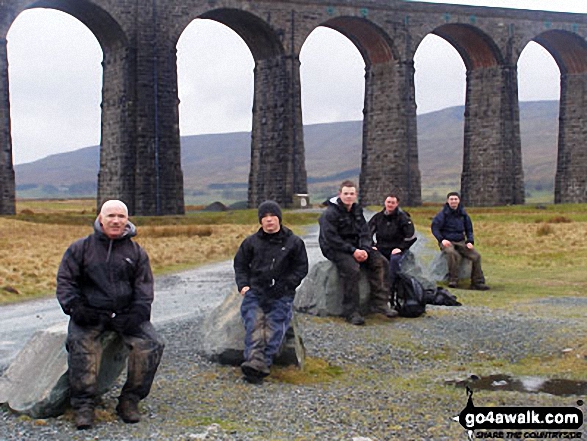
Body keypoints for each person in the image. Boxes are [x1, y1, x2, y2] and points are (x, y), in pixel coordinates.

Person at [56, 200, 165, 430]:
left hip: (126, 313)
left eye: (121, 216)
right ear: (100, 218)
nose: (116, 221)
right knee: (80, 344)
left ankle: (129, 400)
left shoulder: (136, 253)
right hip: (91, 313)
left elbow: (144, 288)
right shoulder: (80, 248)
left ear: (127, 220)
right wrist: (76, 308)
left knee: (152, 344)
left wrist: (138, 313)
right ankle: (84, 405)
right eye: (111, 216)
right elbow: (66, 282)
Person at [234, 200, 308, 383]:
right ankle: (256, 362)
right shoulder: (250, 242)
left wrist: (287, 285)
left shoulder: (294, 242)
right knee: (254, 321)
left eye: (272, 216)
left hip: (282, 292)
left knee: (275, 324)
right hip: (256, 290)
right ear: (260, 221)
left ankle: (259, 363)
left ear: (279, 219)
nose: (269, 220)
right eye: (264, 217)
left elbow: (301, 267)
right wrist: (243, 285)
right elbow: (240, 264)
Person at [319, 180, 397, 326]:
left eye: (352, 194)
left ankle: (380, 303)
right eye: (346, 193)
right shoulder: (330, 213)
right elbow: (331, 238)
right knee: (352, 269)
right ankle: (351, 311)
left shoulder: (357, 210)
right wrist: (353, 251)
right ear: (339, 194)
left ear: (356, 195)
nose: (349, 196)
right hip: (335, 248)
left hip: (357, 247)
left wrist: (365, 249)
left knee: (381, 261)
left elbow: (365, 232)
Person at [431, 192, 490, 290]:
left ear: (459, 201)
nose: (453, 201)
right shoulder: (442, 214)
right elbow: (435, 228)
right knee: (452, 253)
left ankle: (477, 282)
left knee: (476, 256)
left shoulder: (463, 214)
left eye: (455, 199)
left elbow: (469, 229)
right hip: (447, 241)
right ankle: (453, 280)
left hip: (461, 241)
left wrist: (470, 241)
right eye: (451, 199)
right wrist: (441, 240)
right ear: (447, 201)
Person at [368, 193, 417, 289]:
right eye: (388, 202)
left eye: (393, 202)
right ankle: (373, 285)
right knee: (370, 258)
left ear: (397, 204)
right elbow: (367, 231)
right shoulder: (378, 217)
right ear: (385, 202)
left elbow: (411, 236)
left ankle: (390, 285)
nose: (390, 204)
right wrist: (371, 245)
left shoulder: (403, 218)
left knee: (394, 261)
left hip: (396, 249)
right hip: (380, 247)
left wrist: (400, 248)